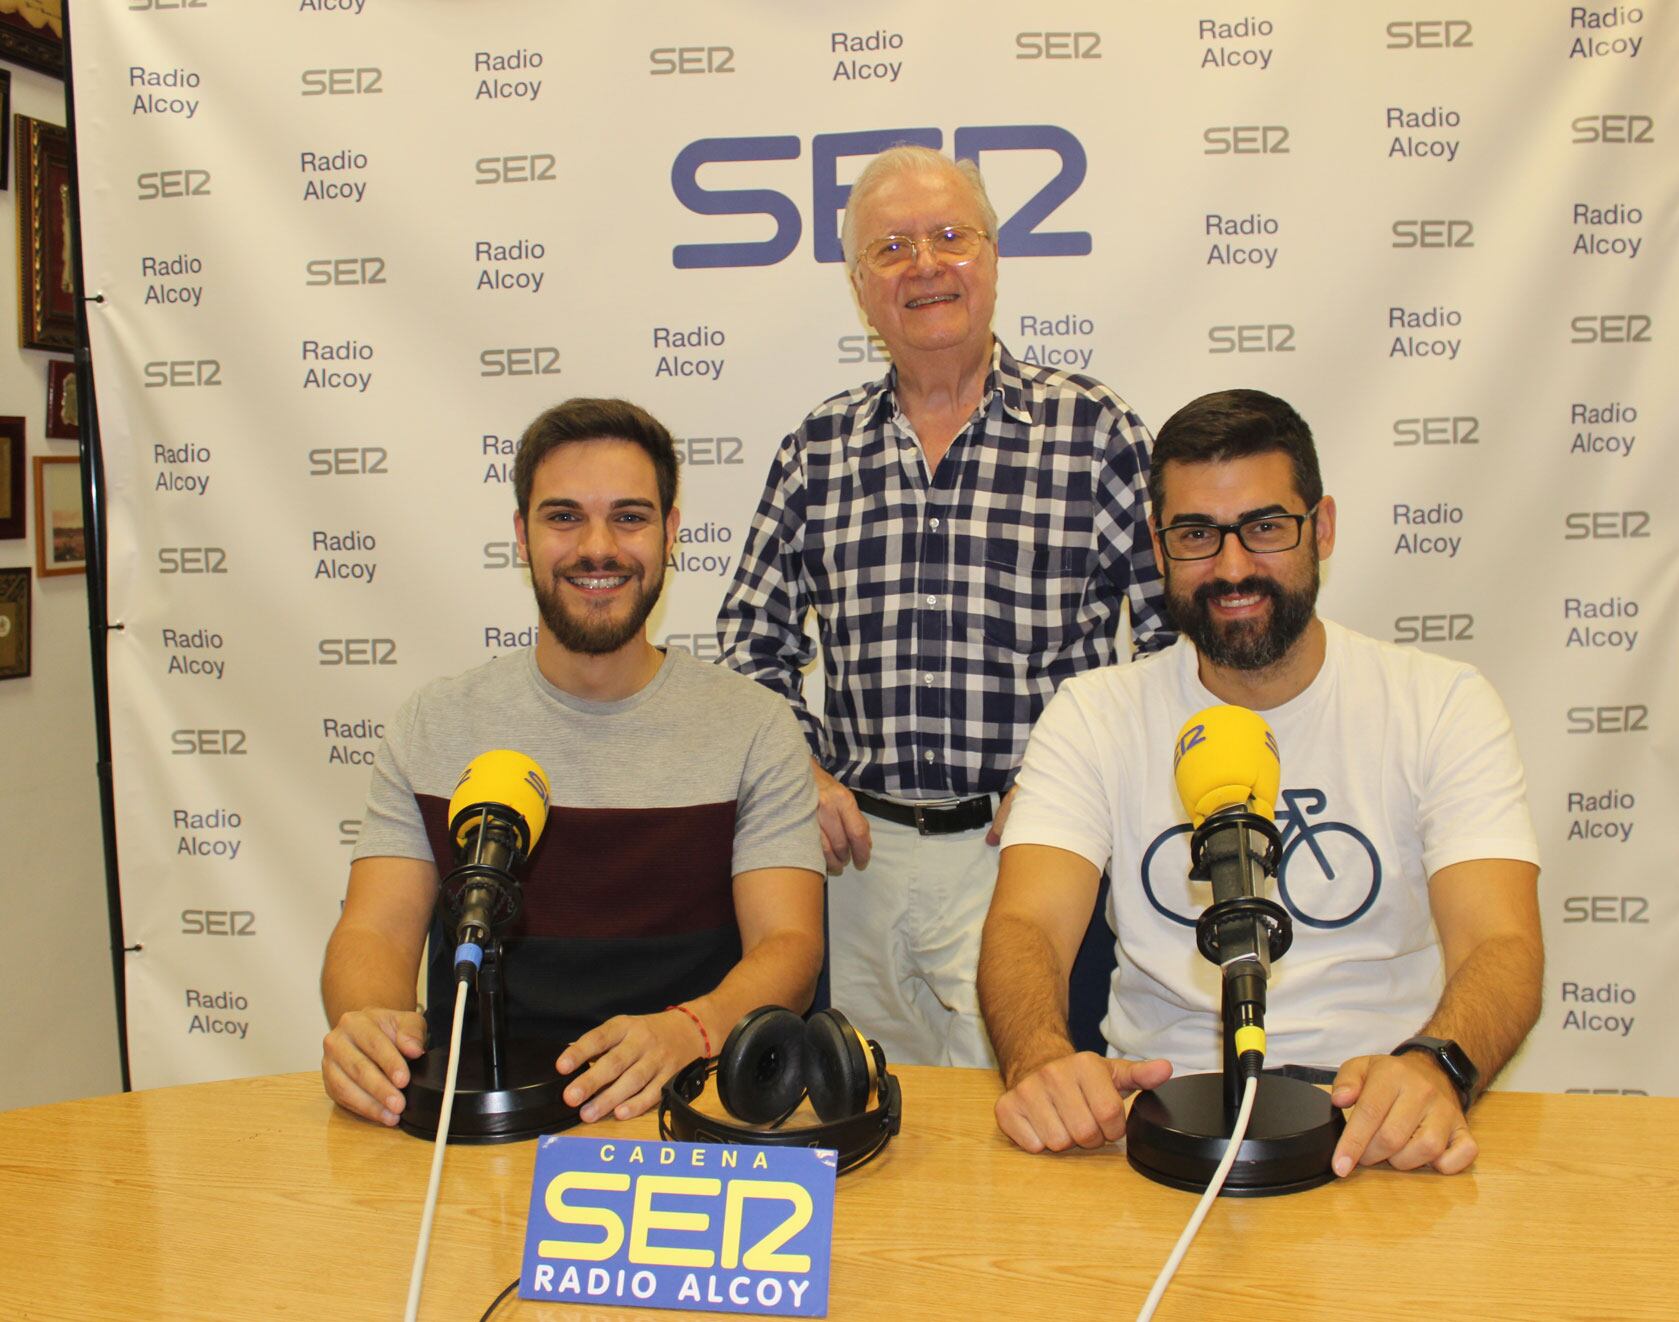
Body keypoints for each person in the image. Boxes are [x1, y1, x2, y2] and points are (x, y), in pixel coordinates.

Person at [978, 388, 1542, 1176]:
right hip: (1155, 1122)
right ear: (1158, 545)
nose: (1233, 566)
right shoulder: (1097, 712)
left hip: (1381, 1127)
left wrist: (1434, 1067)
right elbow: (1025, 926)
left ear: (1325, 528)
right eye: (1198, 535)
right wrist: (1039, 1061)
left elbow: (1502, 942)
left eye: (1267, 528)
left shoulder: (1439, 703)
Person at [717, 146, 1171, 1068]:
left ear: (994, 257)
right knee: (863, 1122)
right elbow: (747, 641)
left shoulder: (1097, 433)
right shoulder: (818, 448)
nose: (924, 266)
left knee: (1033, 1119)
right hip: (854, 861)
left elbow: (1173, 646)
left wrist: (1079, 779)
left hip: (1027, 855)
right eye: (891, 249)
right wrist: (798, 768)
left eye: (950, 237)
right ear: (860, 287)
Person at [320, 398, 824, 1127]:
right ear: (522, 538)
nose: (598, 547)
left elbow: (790, 947)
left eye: (629, 517)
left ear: (670, 534)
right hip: (480, 1129)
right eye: (564, 518)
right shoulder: (433, 726)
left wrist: (692, 1029)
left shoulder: (753, 726)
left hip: (682, 1116)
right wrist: (370, 1026)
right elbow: (374, 933)